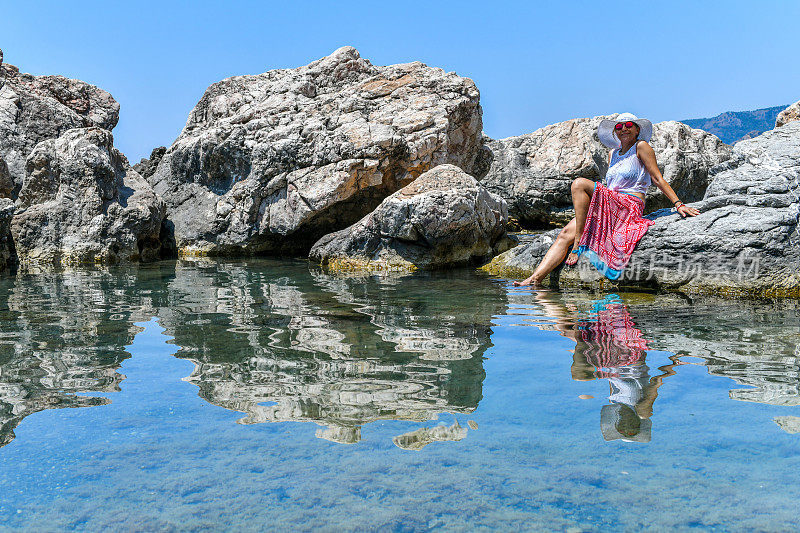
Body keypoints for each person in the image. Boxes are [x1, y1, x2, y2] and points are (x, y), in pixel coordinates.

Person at [514, 113, 700, 286]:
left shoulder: (641, 147)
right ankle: (534, 279)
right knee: (564, 234)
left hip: (629, 205)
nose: (623, 129)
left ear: (637, 130)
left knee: (579, 183)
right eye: (619, 126)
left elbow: (657, 178)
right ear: (615, 131)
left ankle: (580, 241)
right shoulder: (613, 153)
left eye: (628, 125)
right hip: (610, 204)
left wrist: (678, 204)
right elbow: (610, 185)